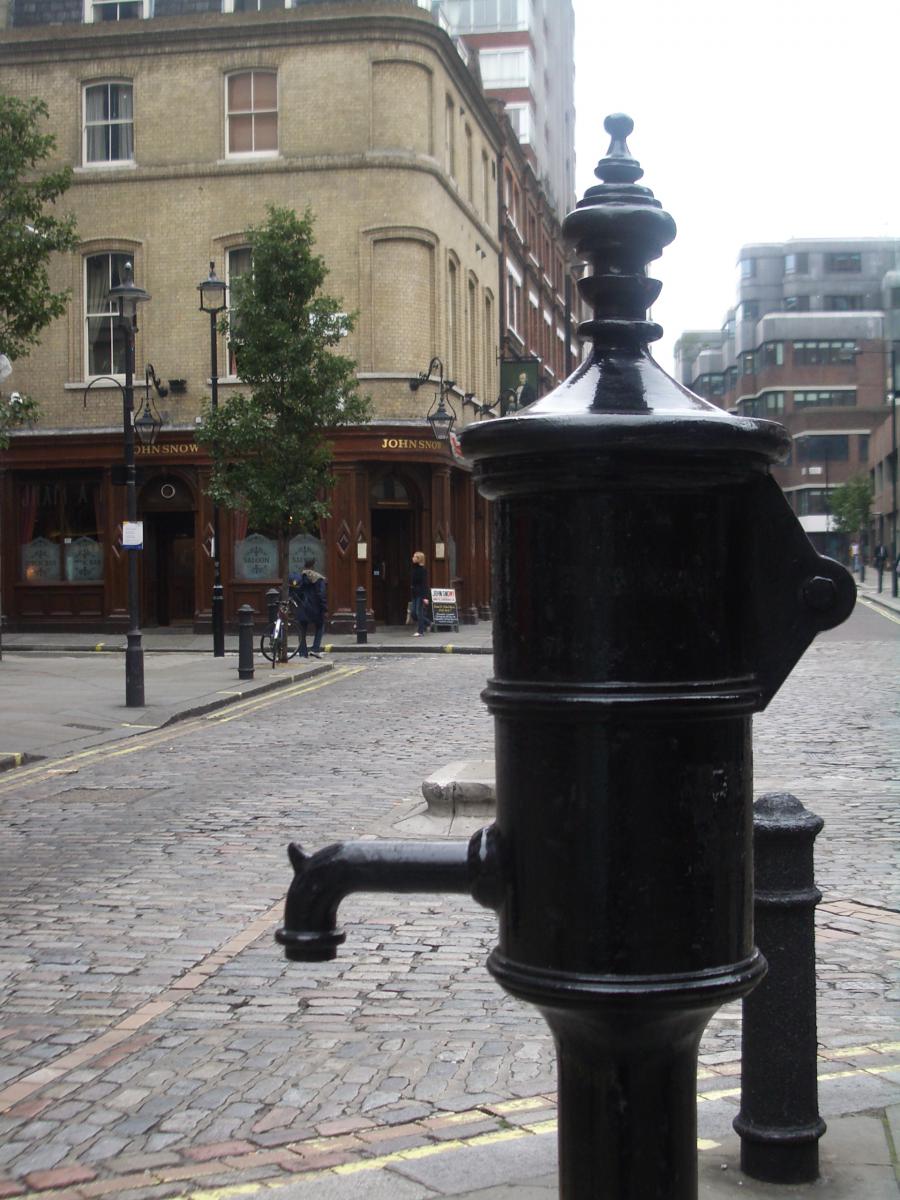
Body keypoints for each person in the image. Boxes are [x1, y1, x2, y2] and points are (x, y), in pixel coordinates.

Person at [291, 557, 327, 658]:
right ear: (313, 566)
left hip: (302, 607)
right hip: (315, 608)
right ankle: (315, 649)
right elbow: (321, 594)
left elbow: (295, 592)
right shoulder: (319, 578)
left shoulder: (299, 577)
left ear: (305, 565)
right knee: (320, 627)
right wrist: (324, 608)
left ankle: (303, 653)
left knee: (302, 631)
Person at [410, 550, 430, 637]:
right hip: (414, 593)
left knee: (419, 613)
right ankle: (428, 622)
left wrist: (425, 597)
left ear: (419, 559)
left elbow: (424, 584)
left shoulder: (423, 570)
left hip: (421, 594)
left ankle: (420, 631)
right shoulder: (414, 568)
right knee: (413, 613)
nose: (413, 558)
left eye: (414, 557)